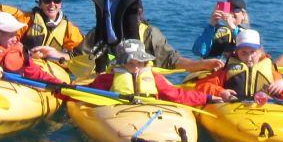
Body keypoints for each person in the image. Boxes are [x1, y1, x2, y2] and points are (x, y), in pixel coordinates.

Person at [82, 0, 218, 74]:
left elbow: (171, 61)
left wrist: (199, 64)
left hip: (143, 84)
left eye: (137, 13)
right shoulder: (101, 32)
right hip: (108, 85)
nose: (136, 17)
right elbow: (79, 57)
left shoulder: (150, 34)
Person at [85, 39, 217, 107]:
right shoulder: (108, 79)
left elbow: (176, 95)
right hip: (118, 113)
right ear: (121, 64)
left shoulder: (154, 78)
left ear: (144, 62)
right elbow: (85, 93)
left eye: (139, 63)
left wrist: (207, 98)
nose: (136, 67)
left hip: (148, 110)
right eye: (131, 63)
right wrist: (64, 89)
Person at [192, 29, 283, 102]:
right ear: (236, 52)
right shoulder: (227, 71)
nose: (249, 57)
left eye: (253, 52)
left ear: (260, 52)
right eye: (244, 52)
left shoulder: (271, 72)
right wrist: (221, 92)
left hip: (265, 109)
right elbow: (201, 86)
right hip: (234, 108)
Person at [22, 0, 84, 65]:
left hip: (52, 68)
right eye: (47, 0)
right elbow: (13, 41)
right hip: (28, 63)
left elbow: (79, 55)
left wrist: (56, 55)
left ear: (60, 5)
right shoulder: (28, 19)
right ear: (40, 4)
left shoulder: (69, 28)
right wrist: (29, 54)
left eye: (56, 0)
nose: (52, 4)